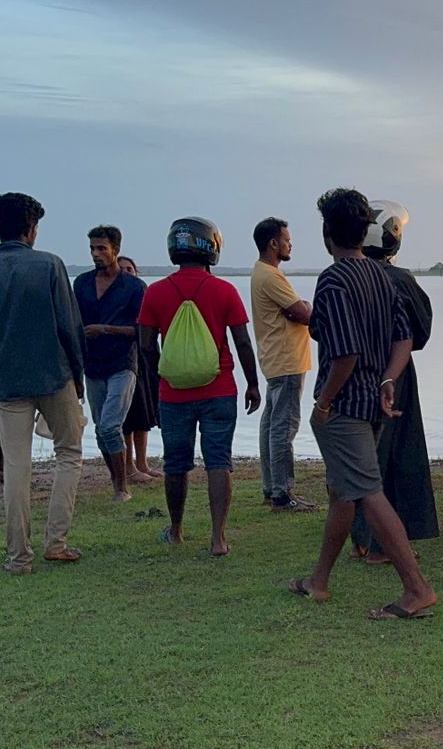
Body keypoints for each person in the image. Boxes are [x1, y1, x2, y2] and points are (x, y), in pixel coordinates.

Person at [286, 188, 437, 619]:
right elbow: (404, 337)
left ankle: (417, 590)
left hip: (345, 406)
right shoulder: (381, 275)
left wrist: (324, 403)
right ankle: (318, 581)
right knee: (343, 491)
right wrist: (388, 379)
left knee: (368, 491)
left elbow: (346, 354)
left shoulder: (334, 280)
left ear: (327, 234)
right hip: (373, 403)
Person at [0, 193, 86, 574]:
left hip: (7, 381)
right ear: (31, 229)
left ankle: (18, 557)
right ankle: (56, 542)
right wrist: (78, 378)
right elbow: (70, 327)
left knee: (15, 467)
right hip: (55, 375)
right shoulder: (50, 265)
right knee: (69, 453)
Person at [137, 216, 260, 556]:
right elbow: (243, 342)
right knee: (218, 460)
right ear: (212, 247)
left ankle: (176, 530)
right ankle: (218, 538)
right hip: (220, 389)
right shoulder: (225, 291)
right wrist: (252, 384)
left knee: (176, 463)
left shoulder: (155, 292)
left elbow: (145, 345)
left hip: (173, 394)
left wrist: (158, 379)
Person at [352, 201, 440, 563]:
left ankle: (361, 537)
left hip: (354, 374)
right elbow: (421, 331)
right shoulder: (399, 279)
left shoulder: (345, 274)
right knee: (394, 455)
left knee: (361, 454)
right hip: (394, 373)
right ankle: (381, 543)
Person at [74, 225, 146, 503]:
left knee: (109, 425)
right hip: (92, 366)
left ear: (115, 249)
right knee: (99, 428)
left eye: (101, 248)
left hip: (122, 364)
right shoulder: (82, 284)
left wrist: (105, 329)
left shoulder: (134, 287)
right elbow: (74, 324)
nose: (96, 254)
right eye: (92, 248)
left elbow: (143, 330)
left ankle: (122, 488)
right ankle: (117, 480)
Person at [250, 217, 316, 512]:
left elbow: (296, 311)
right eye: (287, 240)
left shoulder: (261, 272)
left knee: (271, 425)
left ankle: (271, 488)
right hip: (287, 360)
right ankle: (281, 494)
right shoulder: (271, 276)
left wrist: (301, 308)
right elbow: (303, 313)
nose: (291, 245)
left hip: (275, 358)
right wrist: (307, 307)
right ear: (273, 243)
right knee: (284, 427)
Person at [118, 256, 159, 484]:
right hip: (122, 360)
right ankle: (128, 466)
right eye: (122, 269)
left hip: (143, 357)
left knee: (144, 412)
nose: (126, 272)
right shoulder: (115, 297)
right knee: (127, 416)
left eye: (130, 269)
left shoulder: (142, 291)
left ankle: (142, 463)